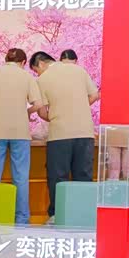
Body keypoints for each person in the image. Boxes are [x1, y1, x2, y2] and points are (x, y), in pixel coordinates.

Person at [30, 51, 100, 224]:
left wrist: (57, 113)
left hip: (60, 134)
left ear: (40, 64)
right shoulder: (79, 70)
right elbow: (94, 95)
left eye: (36, 70)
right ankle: (83, 215)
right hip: (85, 132)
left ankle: (57, 214)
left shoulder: (42, 79)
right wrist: (79, 107)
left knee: (58, 177)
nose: (37, 74)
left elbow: (42, 111)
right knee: (83, 176)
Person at [0, 48, 42, 224]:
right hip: (20, 131)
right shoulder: (26, 76)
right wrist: (26, 112)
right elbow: (38, 104)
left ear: (6, 59)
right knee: (21, 177)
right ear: (23, 63)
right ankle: (21, 219)